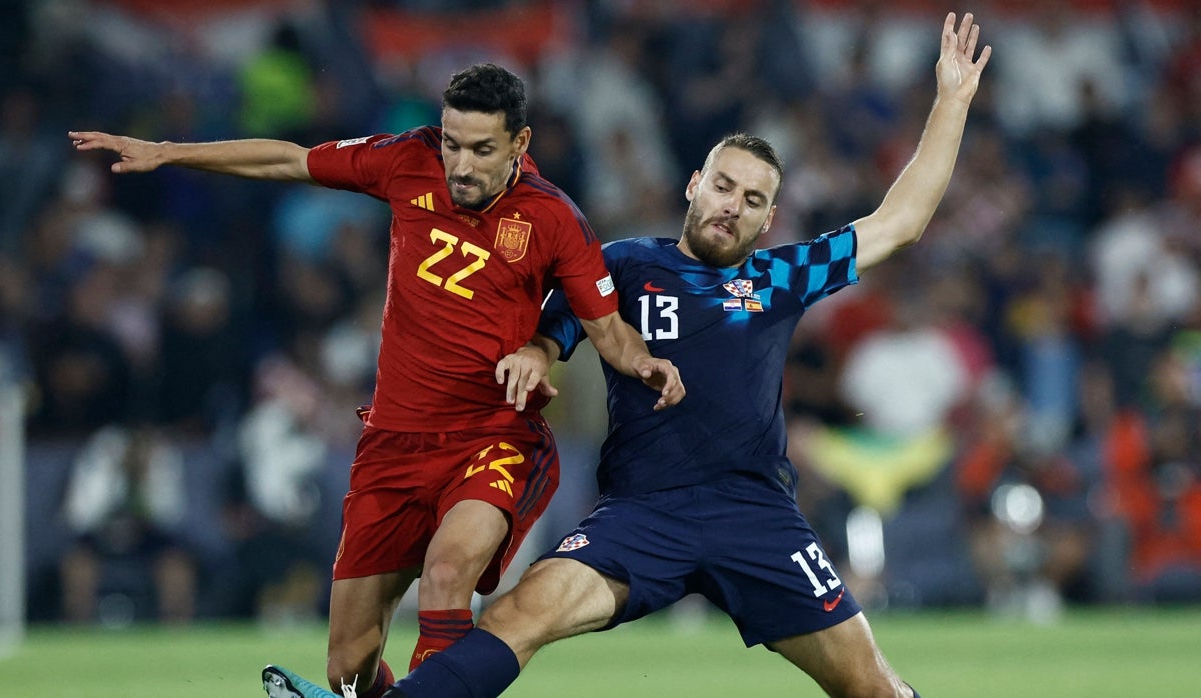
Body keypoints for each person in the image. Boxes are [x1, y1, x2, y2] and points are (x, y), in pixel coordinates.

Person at [383, 12, 990, 698]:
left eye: (754, 200)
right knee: (520, 612)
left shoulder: (779, 279)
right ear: (694, 185)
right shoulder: (624, 264)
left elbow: (900, 223)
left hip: (756, 514)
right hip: (643, 513)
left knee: (872, 686)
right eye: (725, 187)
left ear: (768, 222)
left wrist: (952, 101)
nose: (733, 206)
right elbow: (557, 329)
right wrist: (537, 352)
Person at [71, 63, 684, 698]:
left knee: (446, 576)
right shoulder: (407, 160)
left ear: (519, 145)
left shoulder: (553, 218)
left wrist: (649, 367)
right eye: (452, 144)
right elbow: (290, 161)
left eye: (482, 149)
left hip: (492, 438)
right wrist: (170, 153)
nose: (462, 166)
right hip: (393, 446)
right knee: (348, 668)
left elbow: (609, 333)